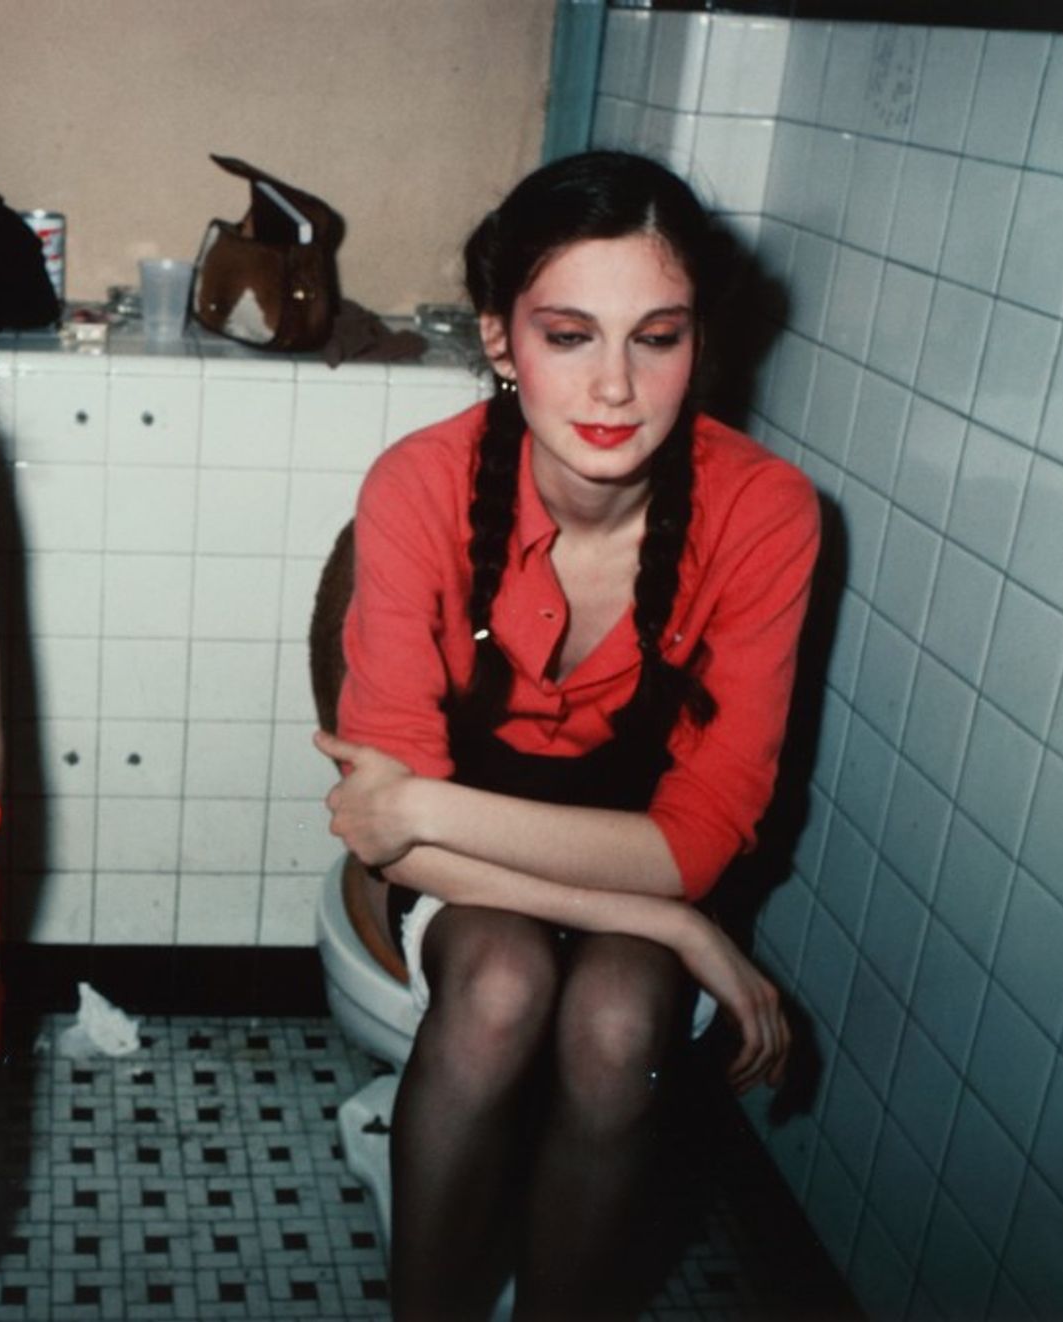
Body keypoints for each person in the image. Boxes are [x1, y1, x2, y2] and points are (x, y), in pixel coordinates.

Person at [314, 151, 815, 1320]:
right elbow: (385, 842)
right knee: (493, 986)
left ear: (700, 342)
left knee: (618, 1017)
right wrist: (667, 918)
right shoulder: (417, 485)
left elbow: (693, 839)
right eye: (567, 334)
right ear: (499, 341)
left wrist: (427, 806)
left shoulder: (766, 512)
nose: (613, 389)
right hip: (481, 884)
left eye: (656, 336)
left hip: (569, 840)